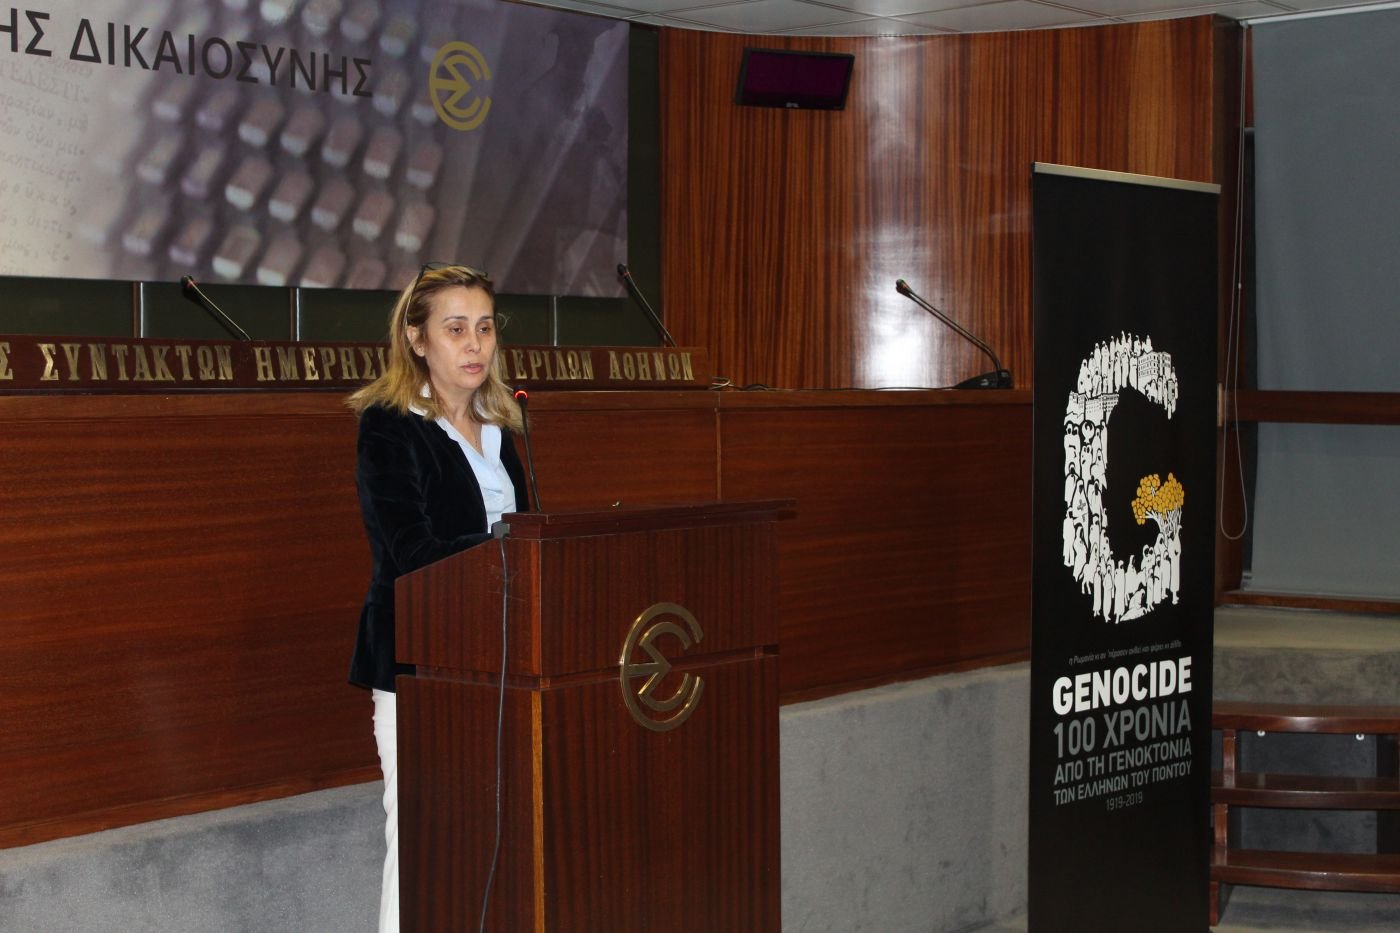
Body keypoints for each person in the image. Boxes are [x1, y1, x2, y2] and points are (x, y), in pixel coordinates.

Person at [346, 264, 529, 933]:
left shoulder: (503, 426)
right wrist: (508, 549)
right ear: (417, 339)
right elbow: (410, 551)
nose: (474, 344)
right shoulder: (391, 425)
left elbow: (530, 542)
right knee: (425, 844)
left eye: (484, 328)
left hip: (504, 664)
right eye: (456, 329)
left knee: (497, 844)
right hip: (419, 665)